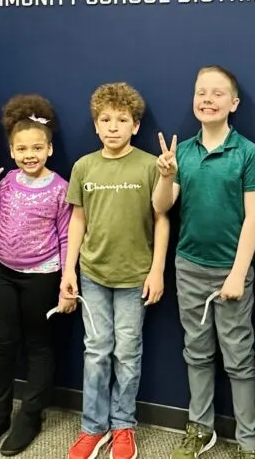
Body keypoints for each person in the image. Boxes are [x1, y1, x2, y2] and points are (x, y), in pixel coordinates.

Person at [152, 66, 255, 459]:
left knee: (239, 358)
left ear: (233, 103)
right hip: (189, 268)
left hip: (231, 273)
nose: (207, 100)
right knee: (196, 353)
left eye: (217, 93)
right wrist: (166, 176)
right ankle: (200, 428)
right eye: (201, 92)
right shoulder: (181, 151)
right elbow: (161, 207)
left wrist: (237, 274)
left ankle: (250, 443)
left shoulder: (248, 153)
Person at [60, 82, 170, 459]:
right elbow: (78, 219)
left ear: (135, 126)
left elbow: (162, 219)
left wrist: (157, 270)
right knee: (96, 351)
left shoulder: (149, 165)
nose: (113, 127)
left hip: (134, 277)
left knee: (127, 352)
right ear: (95, 125)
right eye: (105, 120)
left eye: (122, 120)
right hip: (92, 275)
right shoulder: (83, 166)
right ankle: (93, 427)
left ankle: (123, 425)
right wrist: (68, 270)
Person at [0, 94, 71, 456]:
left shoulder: (60, 188)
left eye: (37, 148)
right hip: (4, 272)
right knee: (1, 345)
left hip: (42, 275)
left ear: (49, 149)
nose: (30, 154)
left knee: (39, 346)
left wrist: (65, 282)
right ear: (12, 152)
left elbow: (65, 236)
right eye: (22, 148)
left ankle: (30, 416)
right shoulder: (9, 180)